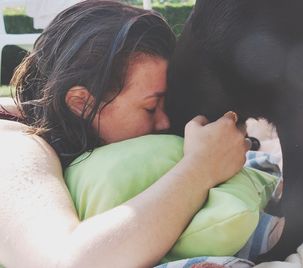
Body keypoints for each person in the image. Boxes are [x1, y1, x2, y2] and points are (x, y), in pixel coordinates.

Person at [0, 1, 249, 267]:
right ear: (81, 103)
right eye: (151, 107)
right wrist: (202, 168)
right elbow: (66, 262)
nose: (166, 122)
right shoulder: (14, 143)